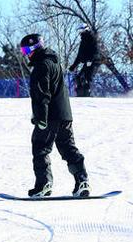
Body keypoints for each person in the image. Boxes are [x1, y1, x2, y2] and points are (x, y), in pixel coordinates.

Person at [20, 33, 90, 198]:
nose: (25, 54)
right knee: (68, 148)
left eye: (25, 50)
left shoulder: (41, 66)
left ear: (33, 48)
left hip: (50, 116)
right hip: (64, 115)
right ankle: (82, 181)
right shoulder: (54, 62)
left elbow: (42, 95)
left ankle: (44, 184)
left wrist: (41, 119)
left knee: (40, 147)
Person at [68, 24, 101, 97]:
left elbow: (95, 51)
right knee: (79, 77)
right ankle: (80, 93)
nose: (80, 33)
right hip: (87, 62)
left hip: (94, 62)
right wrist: (73, 66)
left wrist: (90, 60)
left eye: (81, 31)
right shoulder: (83, 41)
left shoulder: (92, 38)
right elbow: (80, 55)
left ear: (85, 30)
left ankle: (88, 93)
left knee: (88, 76)